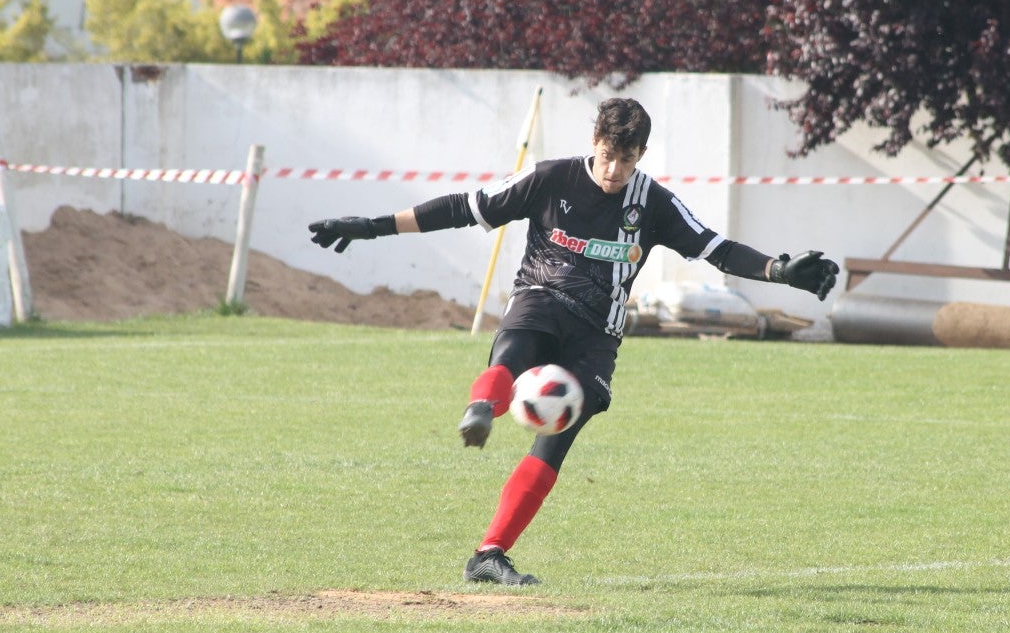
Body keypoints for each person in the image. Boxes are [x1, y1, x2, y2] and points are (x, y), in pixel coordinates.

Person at [308, 98, 838, 586]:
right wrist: (370, 227)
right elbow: (462, 209)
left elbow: (714, 248)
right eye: (607, 156)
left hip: (596, 335)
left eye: (626, 161)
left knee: (556, 439)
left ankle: (488, 554)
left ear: (641, 155)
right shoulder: (550, 179)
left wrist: (780, 268)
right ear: (594, 143)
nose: (613, 171)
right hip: (540, 297)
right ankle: (482, 407)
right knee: (513, 354)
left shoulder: (652, 202)